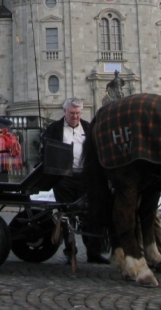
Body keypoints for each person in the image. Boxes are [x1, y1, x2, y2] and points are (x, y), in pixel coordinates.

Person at [42, 97, 109, 264]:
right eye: (72, 113)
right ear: (64, 112)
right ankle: (70, 252)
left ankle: (93, 252)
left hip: (85, 178)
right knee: (67, 217)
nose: (75, 117)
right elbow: (46, 151)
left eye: (78, 113)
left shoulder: (88, 127)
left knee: (89, 215)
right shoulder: (54, 129)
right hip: (64, 179)